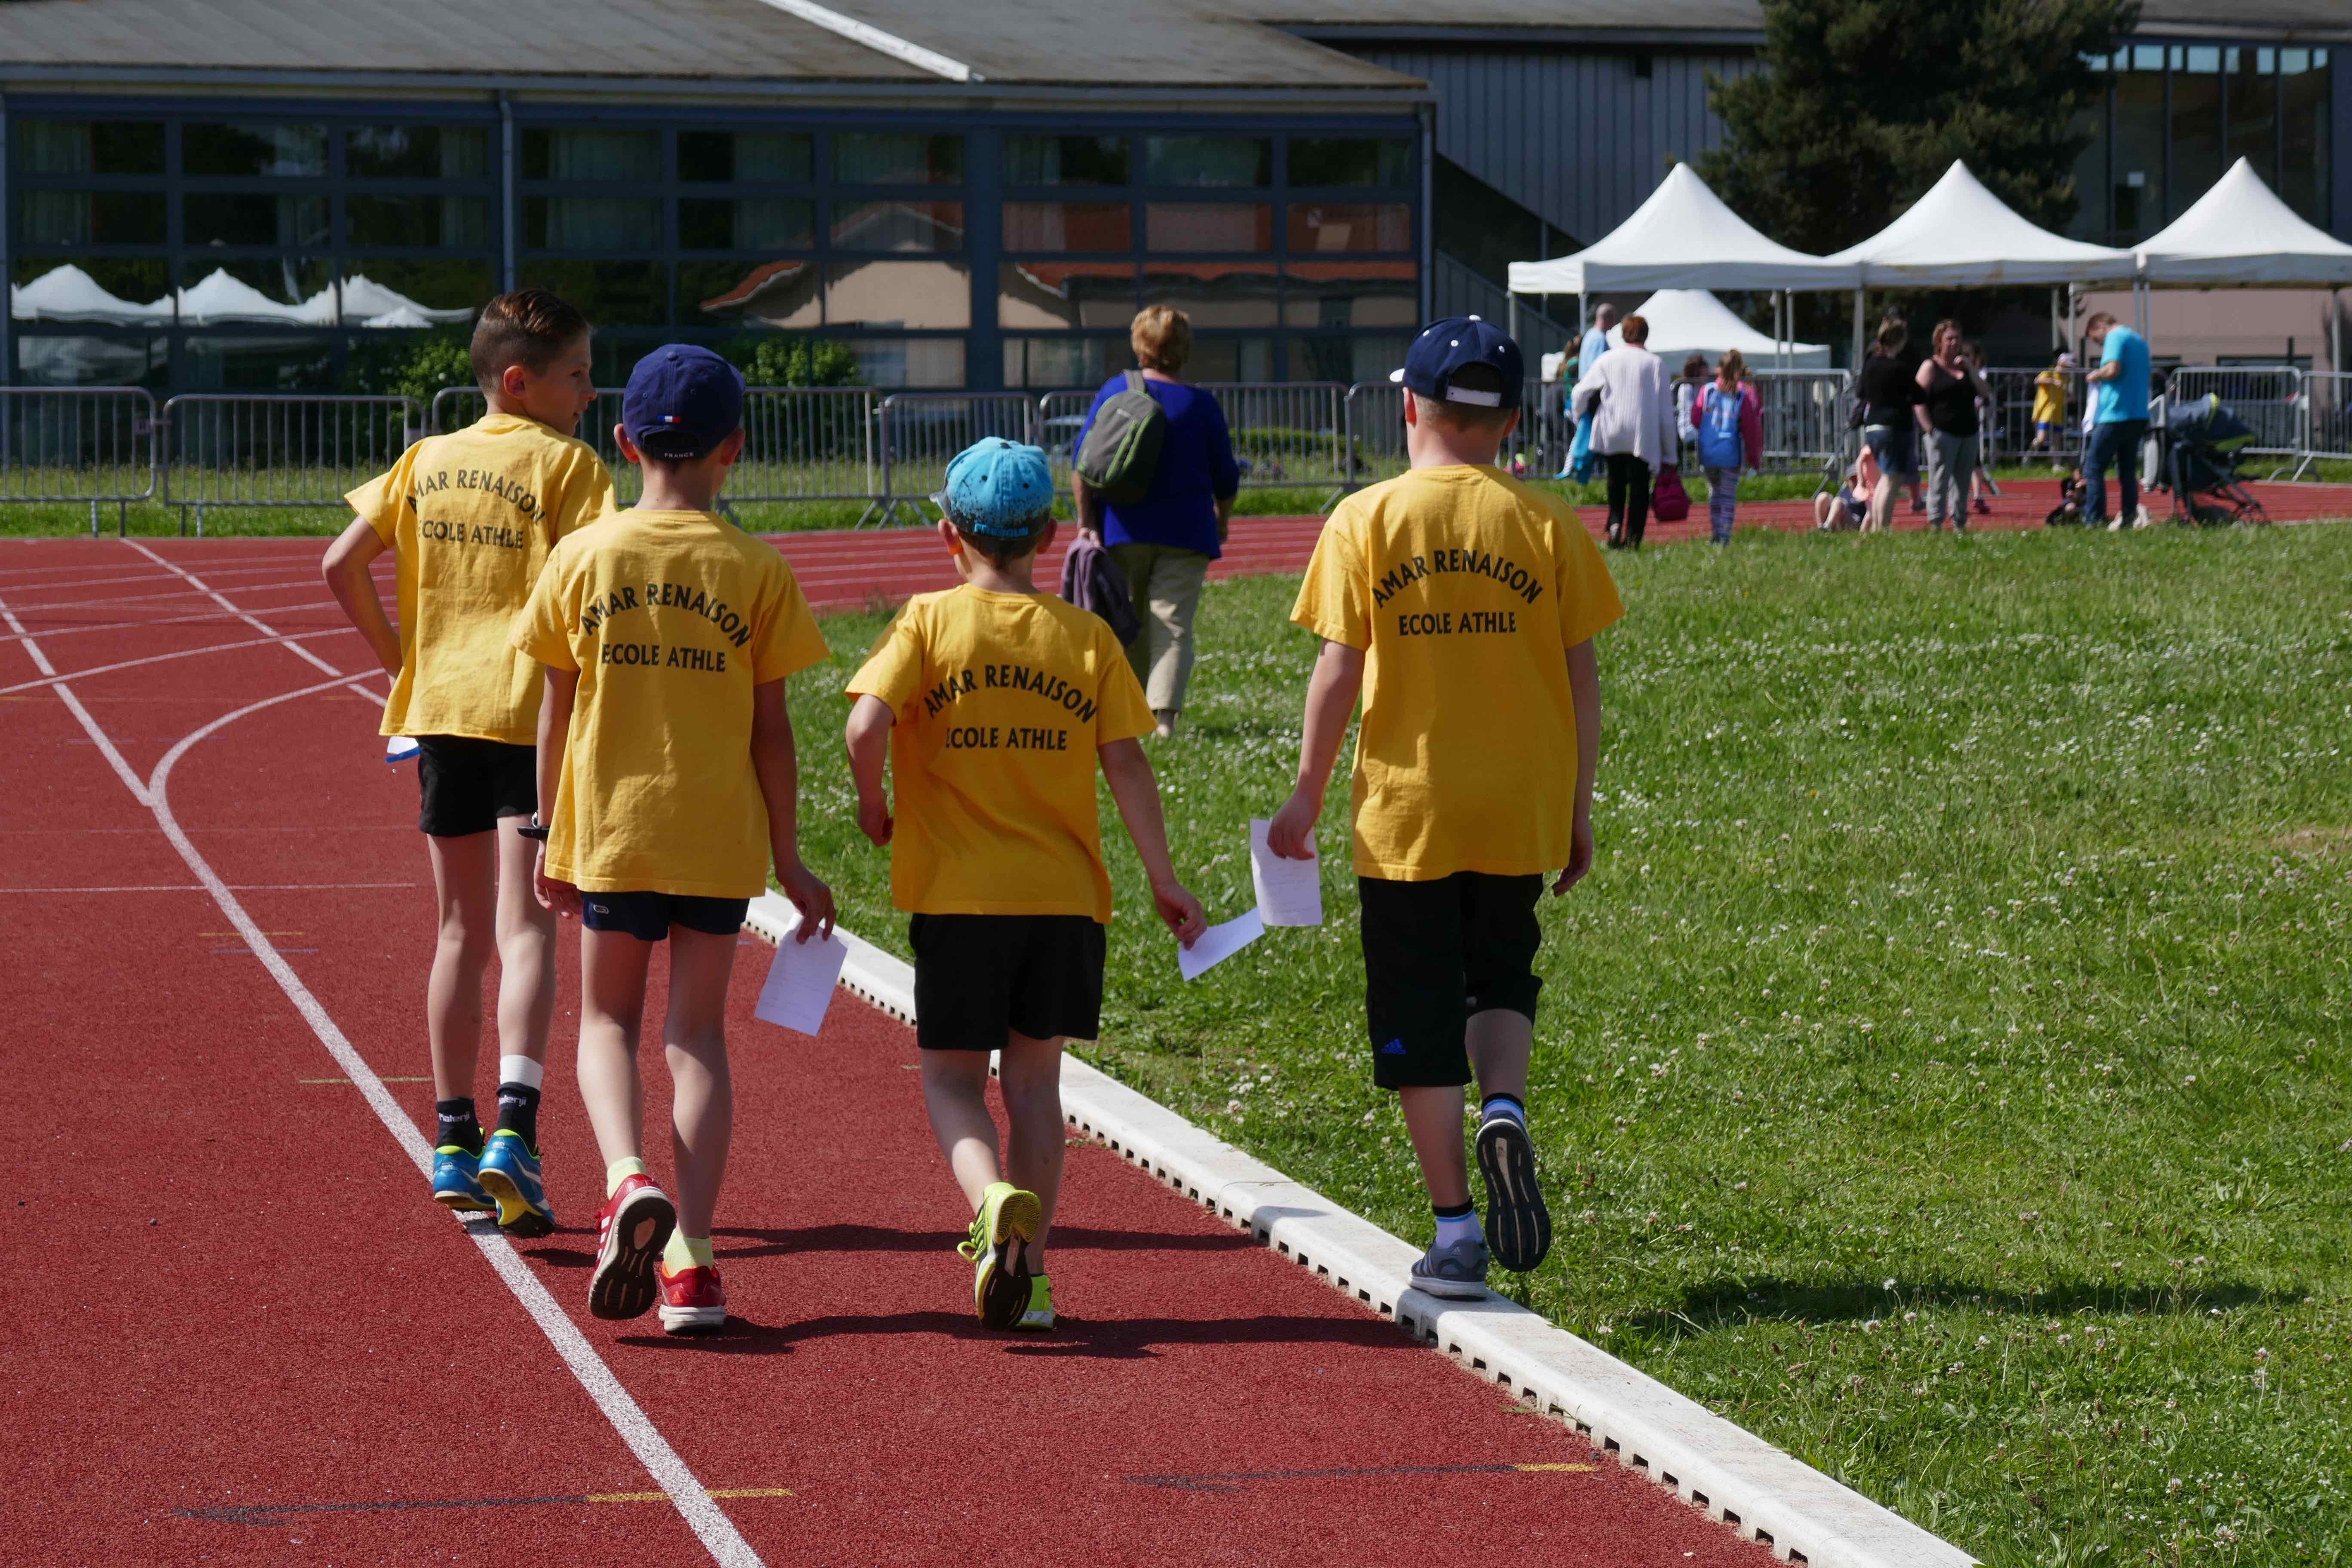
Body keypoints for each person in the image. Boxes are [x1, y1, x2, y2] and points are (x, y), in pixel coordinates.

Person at [1266, 317, 1622, 1300]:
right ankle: (1501, 1103)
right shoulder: (1547, 522)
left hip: (1405, 815)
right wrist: (1574, 804)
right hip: (1515, 803)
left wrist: (1303, 794)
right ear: (1510, 419)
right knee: (1500, 976)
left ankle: (1456, 1228)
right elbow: (1579, 675)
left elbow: (1338, 670)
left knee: (1418, 1015)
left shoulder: (1364, 519)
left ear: (1408, 407)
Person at [845, 438, 1207, 1333]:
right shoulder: (1084, 639)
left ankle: (990, 1197)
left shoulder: (928, 623)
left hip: (961, 900)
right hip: (1064, 903)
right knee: (1038, 1089)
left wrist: (872, 800)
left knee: (953, 1083)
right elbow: (1127, 763)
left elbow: (863, 725)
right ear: (1049, 533)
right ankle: (1032, 1278)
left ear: (947, 535)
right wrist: (1162, 880)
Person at [513, 344, 837, 1335]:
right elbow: (772, 733)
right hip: (716, 840)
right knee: (694, 1037)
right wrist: (790, 858)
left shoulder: (583, 555)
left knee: (604, 1023)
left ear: (621, 441)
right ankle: (691, 1260)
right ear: (732, 449)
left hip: (613, 832)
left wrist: (546, 833)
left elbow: (552, 715)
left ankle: (624, 1181)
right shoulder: (756, 570)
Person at [320, 288, 612, 1235]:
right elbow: (592, 593)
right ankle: (514, 1132)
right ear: (522, 382)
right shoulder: (571, 466)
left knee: (457, 932)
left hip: (441, 711)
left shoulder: (426, 457)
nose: (591, 391)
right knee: (528, 931)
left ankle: (450, 1135)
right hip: (533, 719)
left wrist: (402, 663)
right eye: (578, 375)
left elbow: (338, 564)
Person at [1070, 306, 1239, 740]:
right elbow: (1226, 476)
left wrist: (1087, 523)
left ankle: (1123, 716)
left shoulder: (1115, 391)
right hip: (1187, 533)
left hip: (1121, 527)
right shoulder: (1201, 404)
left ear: (1138, 344)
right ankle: (1163, 719)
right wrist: (1222, 520)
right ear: (1184, 348)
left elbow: (1084, 464)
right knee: (1172, 623)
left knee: (1124, 623)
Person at [1571, 312, 1678, 549]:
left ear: (1623, 334)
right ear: (1646, 335)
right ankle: (1633, 537)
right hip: (1642, 432)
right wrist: (1670, 453)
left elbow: (1580, 391)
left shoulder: (1608, 359)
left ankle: (1615, 524)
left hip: (1611, 429)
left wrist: (1580, 416)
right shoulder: (1655, 364)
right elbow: (1665, 414)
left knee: (1615, 479)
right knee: (1640, 485)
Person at [1915, 320, 1991, 533]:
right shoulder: (1931, 366)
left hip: (1968, 433)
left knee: (1963, 481)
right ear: (1939, 341)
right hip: (1942, 433)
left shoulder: (1965, 368)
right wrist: (1929, 429)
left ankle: (1960, 523)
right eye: (1949, 339)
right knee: (1940, 479)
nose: (1954, 343)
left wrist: (1970, 368)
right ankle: (1936, 523)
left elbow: (1985, 392)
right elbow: (1917, 399)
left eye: (1958, 338)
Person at [2081, 311, 2151, 531]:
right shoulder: (2138, 340)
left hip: (2115, 414)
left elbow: (2113, 370)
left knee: (2093, 467)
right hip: (2138, 413)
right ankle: (2129, 515)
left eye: (2096, 339)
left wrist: (2096, 375)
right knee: (2127, 470)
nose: (2100, 345)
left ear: (2100, 325)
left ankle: (2094, 518)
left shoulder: (2115, 337)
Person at [1855, 321, 1921, 533]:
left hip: (1872, 426)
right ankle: (1883, 528)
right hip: (1894, 427)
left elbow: (1860, 392)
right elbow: (1919, 394)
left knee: (1885, 478)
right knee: (1892, 481)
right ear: (1900, 341)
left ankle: (1876, 526)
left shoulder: (1871, 364)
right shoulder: (1899, 367)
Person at [1693, 348, 1762, 545]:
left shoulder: (1707, 392)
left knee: (1714, 494)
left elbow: (1696, 418)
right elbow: (1751, 431)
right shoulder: (1741, 397)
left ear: (1719, 370)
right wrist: (1754, 460)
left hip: (1708, 454)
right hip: (1730, 455)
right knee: (1728, 497)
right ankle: (1724, 536)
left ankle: (1715, 533)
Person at [1813, 444, 1881, 532]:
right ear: (1847, 481)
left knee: (1838, 501)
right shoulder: (1845, 493)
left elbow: (1871, 512)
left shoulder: (1867, 492)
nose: (1856, 482)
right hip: (1841, 520)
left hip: (1856, 523)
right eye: (1852, 480)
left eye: (1857, 479)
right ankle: (1822, 527)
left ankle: (1828, 527)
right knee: (1823, 497)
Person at [2030, 351, 2075, 466]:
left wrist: (2070, 396)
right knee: (2041, 439)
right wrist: (2053, 381)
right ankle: (2028, 455)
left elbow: (2064, 390)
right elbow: (2037, 380)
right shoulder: (2049, 372)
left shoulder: (2066, 377)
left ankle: (2056, 464)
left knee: (2057, 440)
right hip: (2046, 411)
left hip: (2058, 412)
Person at [1674, 354, 1710, 447]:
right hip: (1689, 431)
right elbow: (1692, 415)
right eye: (1705, 375)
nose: (1707, 377)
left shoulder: (1702, 388)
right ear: (1697, 373)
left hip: (1698, 429)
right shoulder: (1686, 388)